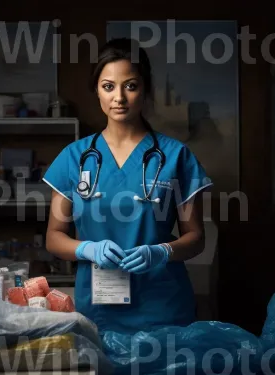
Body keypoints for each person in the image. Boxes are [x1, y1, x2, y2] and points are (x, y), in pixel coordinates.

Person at [43, 38, 213, 335]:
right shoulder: (74, 158)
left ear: (145, 90)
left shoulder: (175, 157)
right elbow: (54, 238)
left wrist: (160, 252)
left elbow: (196, 238)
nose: (119, 97)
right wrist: (88, 249)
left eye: (130, 86)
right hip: (100, 307)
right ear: (96, 90)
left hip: (162, 305)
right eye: (108, 86)